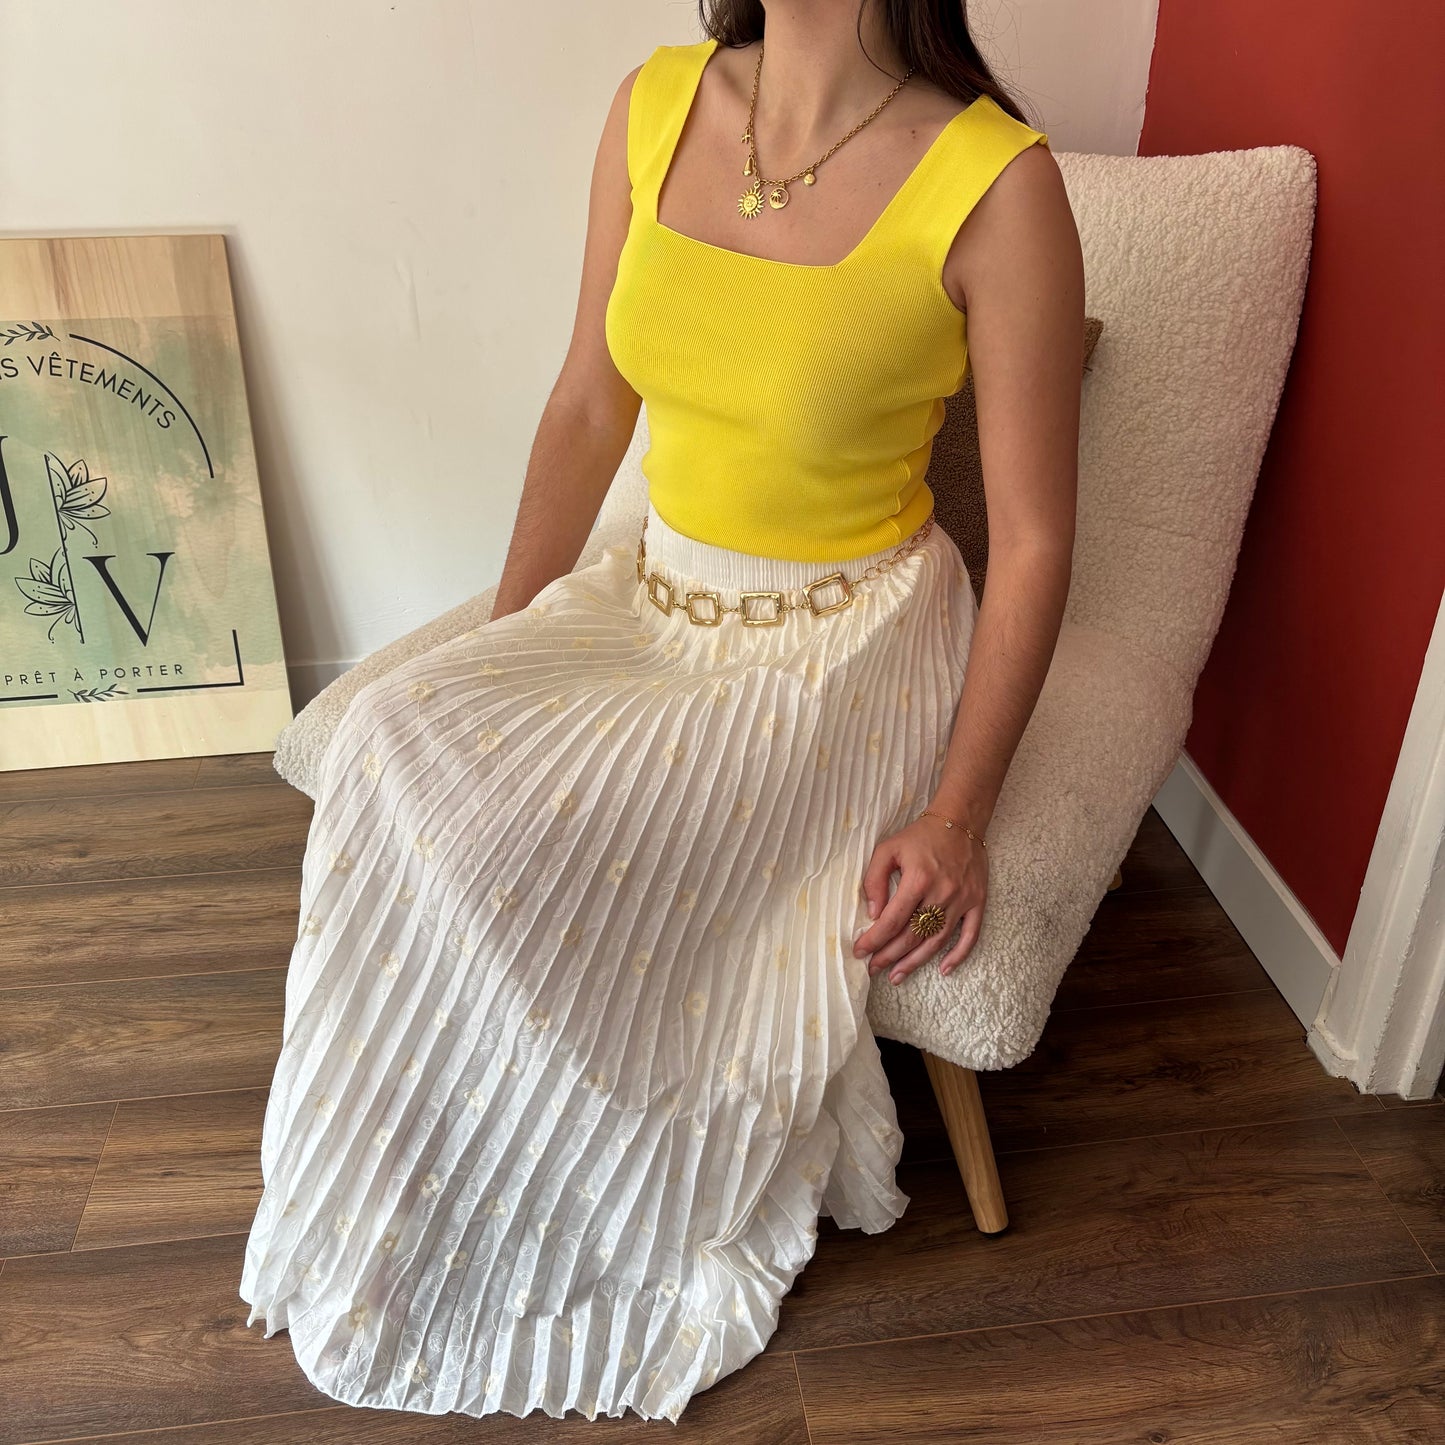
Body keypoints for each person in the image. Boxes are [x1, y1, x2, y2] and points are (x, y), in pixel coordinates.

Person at [240, 0, 1083, 1424]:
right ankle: (434, 1152)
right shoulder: (654, 104)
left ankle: (590, 1176)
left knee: (548, 836)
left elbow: (1040, 538)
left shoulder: (998, 187)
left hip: (841, 645)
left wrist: (959, 813)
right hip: (651, 589)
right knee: (392, 741)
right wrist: (503, 651)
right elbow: (589, 403)